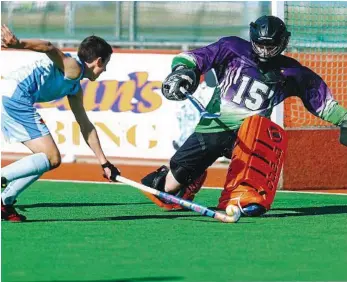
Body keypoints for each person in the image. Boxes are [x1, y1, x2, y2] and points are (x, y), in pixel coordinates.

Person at [141, 15, 347, 216]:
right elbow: (191, 58)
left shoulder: (293, 72)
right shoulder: (231, 48)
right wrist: (183, 72)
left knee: (258, 134)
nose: (265, 52)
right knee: (164, 191)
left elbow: (324, 105)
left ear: (283, 42)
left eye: (271, 46)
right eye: (261, 45)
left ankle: (249, 196)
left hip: (249, 137)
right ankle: (187, 181)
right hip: (212, 129)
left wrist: (344, 119)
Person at [1, 24, 120, 222]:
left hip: (10, 95)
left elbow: (85, 125)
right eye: (105, 64)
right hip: (15, 97)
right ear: (98, 61)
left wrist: (104, 162)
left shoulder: (74, 87)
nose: (105, 70)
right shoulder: (73, 67)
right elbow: (48, 46)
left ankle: (5, 201)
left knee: (44, 159)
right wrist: (18, 44)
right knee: (52, 157)